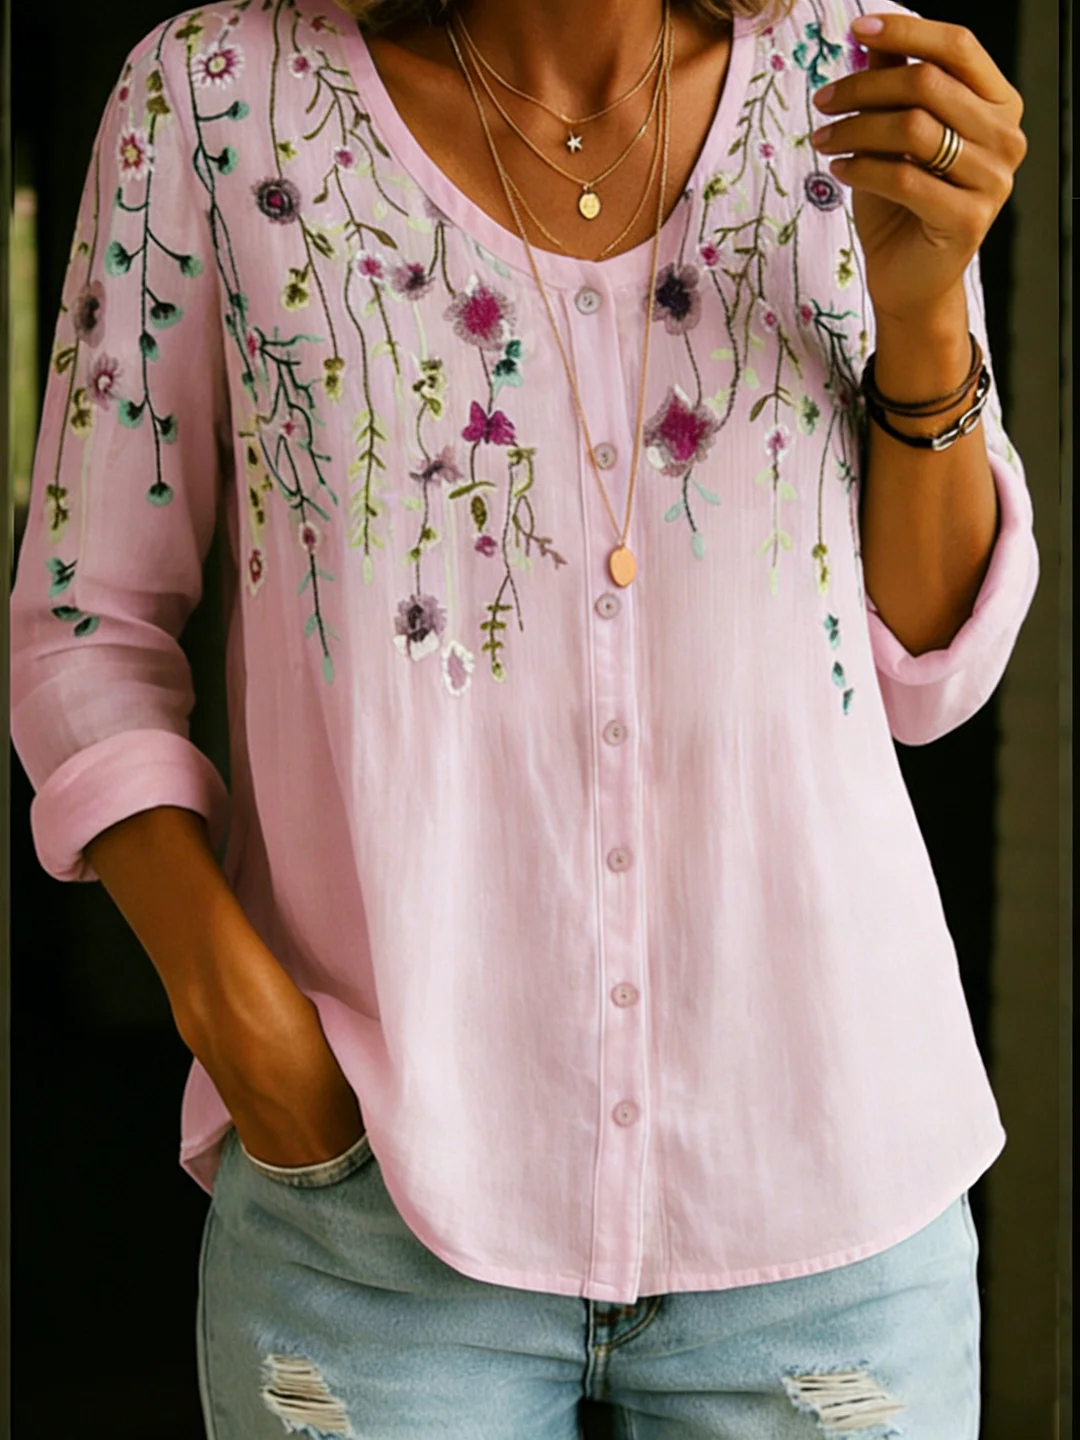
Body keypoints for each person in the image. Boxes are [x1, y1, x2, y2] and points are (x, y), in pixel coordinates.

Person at [9, 0, 1035, 1432]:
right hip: (376, 1218)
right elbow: (84, 619)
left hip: (832, 1198)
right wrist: (240, 1021)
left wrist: (924, 312)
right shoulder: (217, 101)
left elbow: (929, 673)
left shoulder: (854, 79)